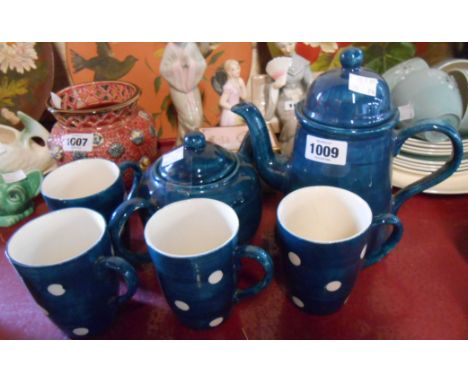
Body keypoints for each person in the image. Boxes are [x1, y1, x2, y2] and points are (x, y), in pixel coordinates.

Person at [266, 42, 313, 155]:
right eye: (282, 46)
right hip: (284, 100)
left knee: (302, 119)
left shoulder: (302, 63)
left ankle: (296, 149)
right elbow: (270, 87)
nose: (287, 49)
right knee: (293, 120)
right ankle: (287, 149)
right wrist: (276, 85)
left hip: (300, 98)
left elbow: (310, 84)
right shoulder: (276, 64)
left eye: (290, 44)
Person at [160, 42, 207, 144]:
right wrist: (178, 65)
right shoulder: (170, 48)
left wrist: (191, 63)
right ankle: (185, 142)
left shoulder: (192, 46)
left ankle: (188, 143)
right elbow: (164, 69)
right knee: (187, 118)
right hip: (177, 89)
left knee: (198, 116)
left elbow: (201, 63)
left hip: (192, 87)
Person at [219, 60, 247, 127]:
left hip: (238, 110)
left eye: (238, 68)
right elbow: (222, 102)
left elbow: (244, 97)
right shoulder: (228, 86)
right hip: (230, 113)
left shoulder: (239, 81)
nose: (237, 70)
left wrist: (242, 86)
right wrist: (234, 108)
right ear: (229, 72)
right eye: (233, 69)